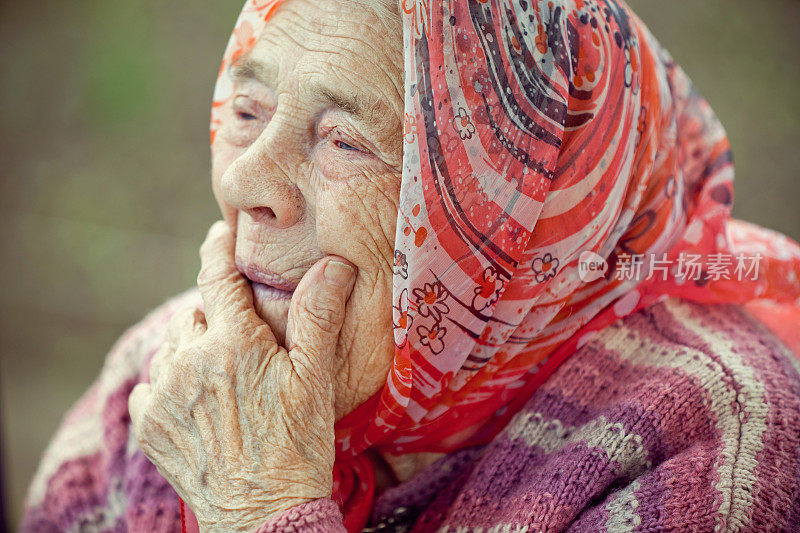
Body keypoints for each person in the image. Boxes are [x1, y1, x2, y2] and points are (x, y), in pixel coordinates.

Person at [21, 0, 800, 531]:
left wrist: (258, 504)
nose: (243, 182)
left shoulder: (710, 442)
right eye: (248, 111)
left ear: (513, 212)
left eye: (343, 140)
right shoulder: (168, 382)